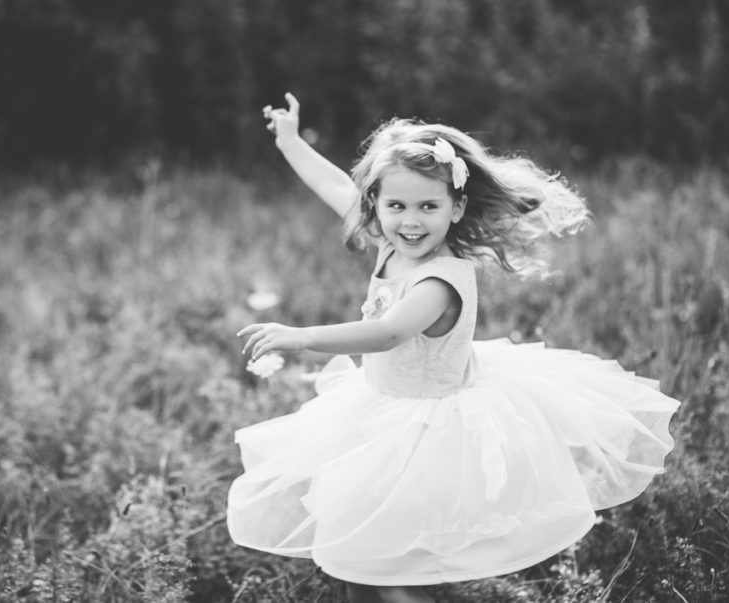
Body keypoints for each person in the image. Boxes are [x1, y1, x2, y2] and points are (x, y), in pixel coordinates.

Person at [228, 93, 679, 603]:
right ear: (374, 203)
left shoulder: (440, 280)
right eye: (396, 205)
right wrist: (290, 141)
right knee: (356, 553)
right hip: (382, 412)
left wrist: (302, 335)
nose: (411, 221)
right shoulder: (388, 244)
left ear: (456, 207)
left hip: (431, 431)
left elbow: (389, 333)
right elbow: (334, 183)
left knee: (402, 569)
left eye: (428, 206)